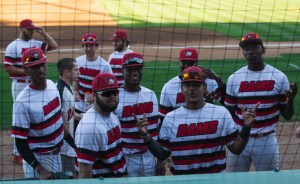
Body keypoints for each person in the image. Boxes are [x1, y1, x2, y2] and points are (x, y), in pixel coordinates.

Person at [134, 66, 259, 175]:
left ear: (205, 88)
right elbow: (162, 154)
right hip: (182, 180)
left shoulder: (221, 114)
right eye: (188, 85)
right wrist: (146, 136)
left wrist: (246, 127)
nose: (192, 89)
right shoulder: (170, 118)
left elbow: (236, 149)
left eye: (196, 85)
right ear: (181, 89)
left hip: (214, 179)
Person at [225, 32, 297, 172]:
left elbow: (287, 115)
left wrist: (291, 100)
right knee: (234, 180)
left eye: (255, 47)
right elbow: (229, 113)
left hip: (266, 140)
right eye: (247, 48)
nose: (251, 51)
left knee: (269, 180)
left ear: (263, 50)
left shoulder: (279, 77)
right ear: (243, 52)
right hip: (240, 139)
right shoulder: (234, 78)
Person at [11, 48, 74, 179]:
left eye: (42, 64)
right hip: (39, 159)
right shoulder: (22, 102)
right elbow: (20, 143)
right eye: (34, 67)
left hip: (59, 152)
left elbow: (59, 123)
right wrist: (40, 169)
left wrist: (75, 146)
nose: (40, 70)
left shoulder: (52, 86)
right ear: (26, 70)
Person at [3, 19, 58, 165]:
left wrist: (43, 33)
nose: (32, 31)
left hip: (35, 84)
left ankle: (37, 142)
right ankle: (17, 153)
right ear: (22, 29)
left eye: (33, 29)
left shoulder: (36, 44)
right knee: (20, 117)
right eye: (30, 29)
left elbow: (54, 46)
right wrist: (28, 71)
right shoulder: (13, 46)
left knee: (37, 116)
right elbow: (7, 67)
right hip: (20, 85)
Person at [113, 52, 161, 177]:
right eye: (130, 69)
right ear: (123, 70)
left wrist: (160, 159)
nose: (135, 72)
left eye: (138, 69)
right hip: (126, 157)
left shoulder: (150, 95)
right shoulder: (115, 96)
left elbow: (156, 130)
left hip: (149, 156)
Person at [75, 73, 127, 178]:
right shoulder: (89, 127)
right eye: (106, 93)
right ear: (94, 95)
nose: (112, 96)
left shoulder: (112, 116)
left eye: (115, 92)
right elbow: (84, 170)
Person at [159, 48, 226, 122]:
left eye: (190, 63)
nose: (187, 66)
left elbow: (226, 102)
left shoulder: (210, 81)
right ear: (179, 63)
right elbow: (163, 118)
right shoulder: (169, 87)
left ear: (197, 63)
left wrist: (218, 79)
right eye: (183, 63)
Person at [73, 33, 113, 131]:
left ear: (96, 46)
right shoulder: (78, 61)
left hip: (95, 108)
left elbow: (109, 88)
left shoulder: (104, 65)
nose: (88, 48)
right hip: (78, 106)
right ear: (83, 46)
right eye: (86, 45)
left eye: (91, 45)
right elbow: (76, 79)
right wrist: (74, 90)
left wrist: (95, 97)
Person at [56, 58, 80, 178]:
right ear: (66, 72)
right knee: (67, 176)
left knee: (73, 174)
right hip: (63, 146)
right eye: (75, 70)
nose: (78, 72)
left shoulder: (69, 88)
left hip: (68, 144)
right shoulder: (59, 91)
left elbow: (69, 113)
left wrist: (81, 117)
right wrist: (73, 143)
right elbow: (58, 121)